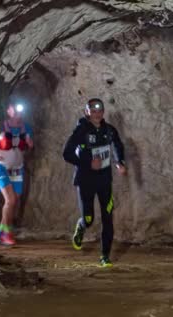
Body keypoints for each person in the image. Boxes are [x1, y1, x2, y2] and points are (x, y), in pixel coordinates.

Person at [62, 98, 127, 267]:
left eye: (100, 110)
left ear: (103, 112)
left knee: (108, 217)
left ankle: (105, 256)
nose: (97, 113)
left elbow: (117, 145)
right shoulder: (81, 131)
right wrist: (88, 163)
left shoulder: (109, 130)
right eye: (93, 110)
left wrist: (120, 162)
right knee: (89, 218)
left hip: (104, 180)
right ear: (87, 112)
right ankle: (82, 225)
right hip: (85, 180)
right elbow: (67, 153)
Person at [0, 101, 34, 245]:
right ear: (8, 110)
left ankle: (1, 229)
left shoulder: (25, 128)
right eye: (14, 109)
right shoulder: (0, 126)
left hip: (17, 168)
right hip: (2, 167)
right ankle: (6, 233)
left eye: (20, 110)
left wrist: (29, 144)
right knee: (10, 200)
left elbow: (28, 145)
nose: (18, 113)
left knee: (14, 201)